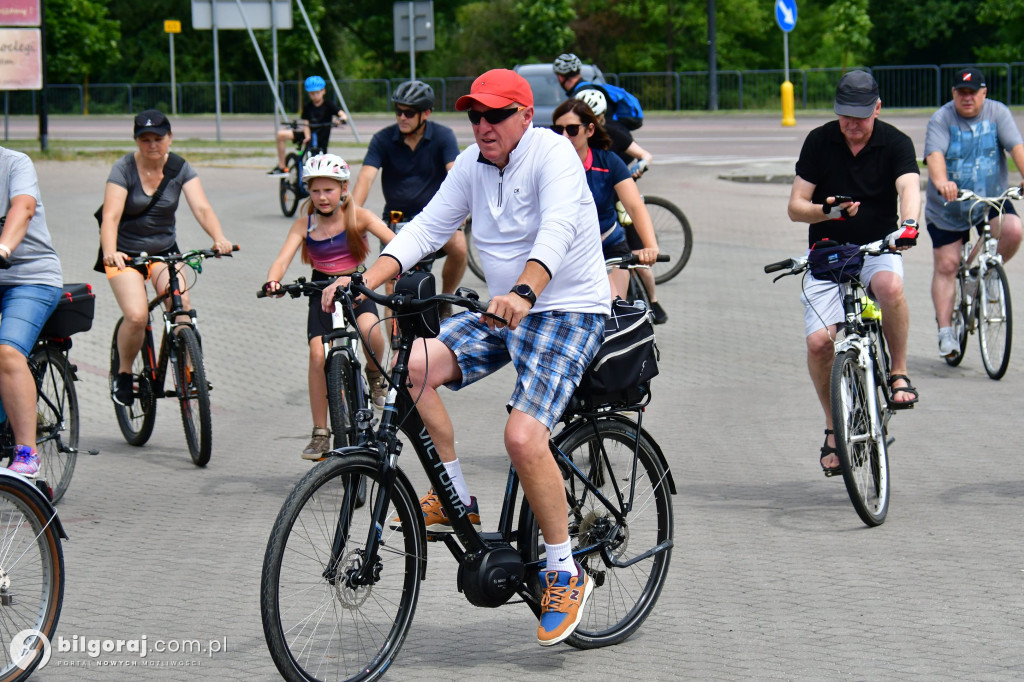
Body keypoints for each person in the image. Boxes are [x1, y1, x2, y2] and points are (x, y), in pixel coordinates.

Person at [322, 68, 608, 646]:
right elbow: (426, 228)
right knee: (412, 365)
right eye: (475, 116)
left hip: (566, 307)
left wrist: (526, 290)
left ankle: (562, 569)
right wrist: (363, 279)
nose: (483, 126)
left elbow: (556, 230)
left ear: (526, 116)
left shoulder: (553, 155)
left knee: (523, 438)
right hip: (504, 310)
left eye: (496, 115)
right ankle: (456, 498)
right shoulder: (475, 167)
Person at [786, 70, 921, 477]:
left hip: (879, 247)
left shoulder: (895, 142)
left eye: (861, 116)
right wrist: (826, 211)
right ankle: (834, 427)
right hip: (828, 253)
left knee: (889, 285)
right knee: (818, 343)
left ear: (877, 108)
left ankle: (898, 373)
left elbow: (909, 187)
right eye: (846, 115)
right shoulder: (819, 141)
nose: (853, 125)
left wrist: (909, 225)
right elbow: (795, 206)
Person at [100, 109, 234, 408]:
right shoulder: (123, 169)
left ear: (170, 138)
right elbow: (110, 216)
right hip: (125, 255)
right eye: (144, 139)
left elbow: (202, 208)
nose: (152, 145)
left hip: (164, 252)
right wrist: (110, 250)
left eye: (158, 138)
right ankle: (123, 373)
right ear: (136, 141)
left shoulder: (179, 167)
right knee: (136, 316)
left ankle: (188, 372)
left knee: (182, 306)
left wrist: (219, 238)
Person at [263, 154, 393, 459]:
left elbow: (394, 241)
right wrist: (273, 281)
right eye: (315, 190)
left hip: (356, 287)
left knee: (369, 332)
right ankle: (320, 433)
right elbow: (282, 259)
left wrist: (397, 267)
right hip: (320, 290)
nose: (322, 197)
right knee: (316, 353)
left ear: (344, 188)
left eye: (329, 190)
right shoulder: (303, 225)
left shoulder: (359, 217)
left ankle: (374, 376)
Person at [924, 67, 1024, 357]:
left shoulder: (998, 113)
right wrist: (942, 182)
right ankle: (946, 333)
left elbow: (1017, 147)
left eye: (972, 92)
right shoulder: (942, 118)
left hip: (990, 196)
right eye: (961, 92)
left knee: (1014, 230)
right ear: (954, 93)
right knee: (946, 264)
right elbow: (934, 155)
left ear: (984, 92)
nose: (967, 98)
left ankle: (983, 272)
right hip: (949, 203)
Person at [352, 80, 467, 300]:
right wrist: (352, 213)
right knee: (391, 287)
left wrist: (461, 207)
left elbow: (455, 172)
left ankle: (445, 300)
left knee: (460, 246)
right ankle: (394, 335)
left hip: (435, 219)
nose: (402, 117)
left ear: (426, 113)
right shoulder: (383, 139)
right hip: (396, 220)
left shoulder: (443, 136)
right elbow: (366, 177)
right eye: (398, 111)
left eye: (409, 113)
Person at [572, 88, 666, 323]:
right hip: (583, 235)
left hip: (618, 200)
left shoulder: (615, 137)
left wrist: (635, 172)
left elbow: (645, 157)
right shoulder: (564, 151)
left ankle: (653, 302)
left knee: (638, 252)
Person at [552, 97, 658, 299]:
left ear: (590, 130)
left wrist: (650, 246)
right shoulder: (548, 166)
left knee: (610, 309)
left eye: (572, 129)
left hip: (608, 245)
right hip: (567, 251)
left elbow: (635, 206)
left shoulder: (608, 162)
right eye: (558, 130)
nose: (564, 136)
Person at [0, 147, 63, 478]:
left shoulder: (14, 163)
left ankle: (27, 452)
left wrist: (3, 248)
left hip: (31, 277)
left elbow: (23, 208)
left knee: (8, 352)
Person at [268, 76, 348, 176]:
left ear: (323, 91)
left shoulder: (329, 105)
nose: (315, 96)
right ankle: (281, 167)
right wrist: (307, 136)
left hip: (321, 137)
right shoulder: (308, 107)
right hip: (308, 134)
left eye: (317, 93)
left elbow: (343, 115)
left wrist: (340, 120)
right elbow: (306, 124)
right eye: (312, 93)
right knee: (280, 134)